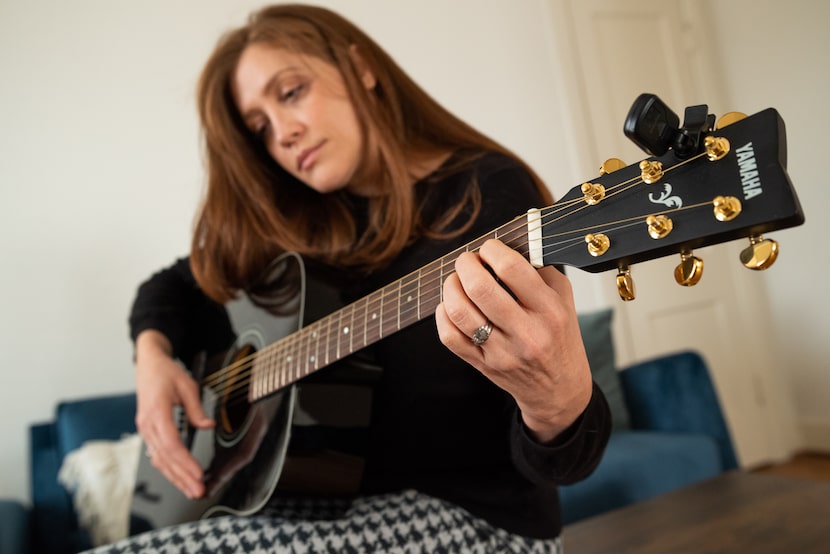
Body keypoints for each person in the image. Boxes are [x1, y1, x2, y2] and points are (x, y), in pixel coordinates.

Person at [97, 3, 611, 552]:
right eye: (260, 128)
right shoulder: (297, 230)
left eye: (291, 92)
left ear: (360, 67)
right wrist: (153, 358)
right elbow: (171, 288)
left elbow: (562, 461)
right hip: (320, 515)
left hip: (476, 522)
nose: (284, 134)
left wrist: (555, 400)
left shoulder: (487, 195)